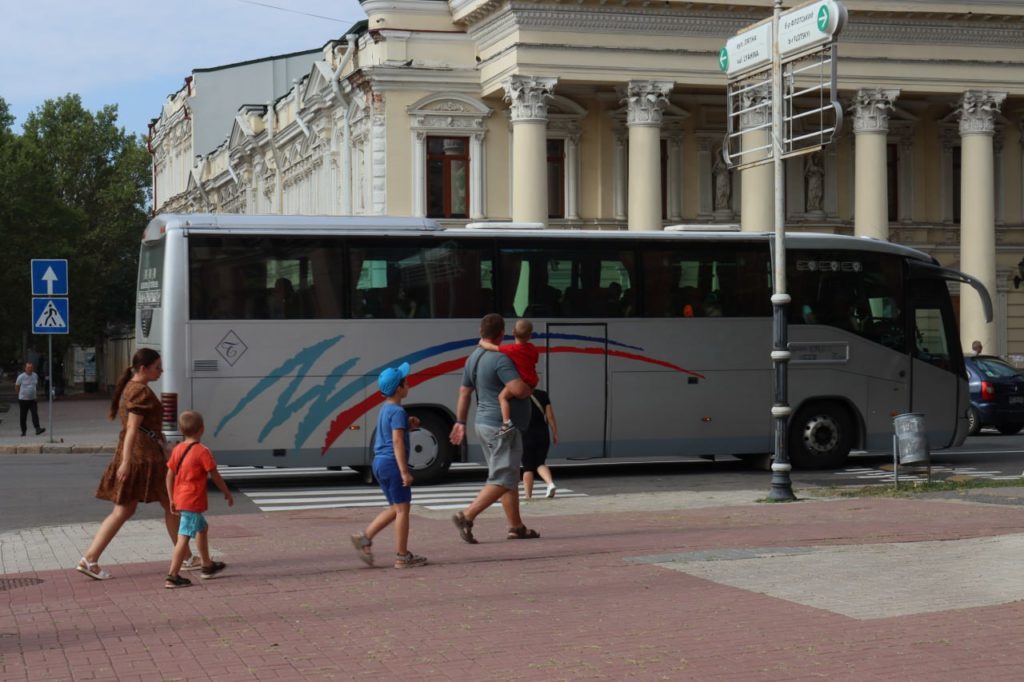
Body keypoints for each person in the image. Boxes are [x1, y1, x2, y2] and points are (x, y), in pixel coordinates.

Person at [75, 349, 194, 580]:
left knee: (126, 509)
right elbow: (131, 429)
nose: (161, 371)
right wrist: (127, 462)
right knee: (170, 504)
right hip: (144, 459)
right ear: (144, 369)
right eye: (157, 367)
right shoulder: (139, 391)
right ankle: (187, 557)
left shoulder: (132, 387)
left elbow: (138, 429)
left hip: (141, 455)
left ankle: (89, 559)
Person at [449, 313, 539, 543]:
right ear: (501, 334)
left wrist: (460, 421)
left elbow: (464, 393)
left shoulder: (473, 357)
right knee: (503, 476)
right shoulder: (501, 359)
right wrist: (529, 389)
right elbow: (518, 390)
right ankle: (467, 516)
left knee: (507, 474)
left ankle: (516, 527)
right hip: (503, 428)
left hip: (483, 423)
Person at [350, 363, 428, 569]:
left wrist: (407, 426)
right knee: (403, 510)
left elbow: (392, 434)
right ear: (399, 388)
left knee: (395, 508)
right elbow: (397, 442)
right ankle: (402, 556)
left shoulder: (386, 409)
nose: (408, 383)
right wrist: (404, 471)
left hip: (379, 463)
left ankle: (364, 537)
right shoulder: (398, 411)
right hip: (393, 465)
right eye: (405, 381)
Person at [164, 411, 233, 588]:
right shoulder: (203, 451)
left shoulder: (177, 449)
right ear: (202, 430)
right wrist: (226, 491)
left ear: (181, 430)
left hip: (180, 499)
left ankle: (207, 565)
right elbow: (215, 475)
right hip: (192, 502)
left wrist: (171, 498)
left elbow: (169, 475)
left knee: (202, 527)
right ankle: (172, 576)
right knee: (183, 538)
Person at [478, 319, 539, 437]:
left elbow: (491, 347)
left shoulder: (511, 349)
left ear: (513, 332)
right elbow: (535, 359)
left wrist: (481, 342)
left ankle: (506, 423)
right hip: (532, 382)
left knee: (502, 397)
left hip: (522, 382)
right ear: (530, 335)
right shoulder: (532, 348)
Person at [522, 388, 559, 499]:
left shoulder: (518, 395)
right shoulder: (543, 394)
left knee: (527, 467)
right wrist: (555, 433)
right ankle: (550, 483)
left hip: (525, 434)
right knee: (540, 463)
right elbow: (550, 416)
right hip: (542, 433)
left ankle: (528, 497)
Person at [15, 362, 45, 437]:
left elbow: (35, 386)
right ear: (25, 368)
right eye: (28, 367)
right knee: (23, 416)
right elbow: (17, 386)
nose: (30, 369)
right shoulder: (21, 377)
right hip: (23, 400)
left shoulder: (35, 375)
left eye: (31, 367)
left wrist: (35, 395)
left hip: (32, 400)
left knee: (35, 414)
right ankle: (23, 431)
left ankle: (37, 429)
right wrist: (19, 395)